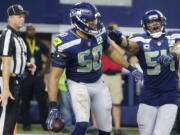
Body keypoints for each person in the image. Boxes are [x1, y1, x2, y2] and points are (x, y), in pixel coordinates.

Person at [46, 2, 142, 135]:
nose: (93, 23)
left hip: (98, 82)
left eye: (94, 19)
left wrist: (131, 68)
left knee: (106, 130)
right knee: (82, 123)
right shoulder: (65, 42)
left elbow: (111, 52)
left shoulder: (100, 32)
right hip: (78, 84)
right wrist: (53, 106)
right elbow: (54, 76)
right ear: (77, 21)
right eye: (89, 20)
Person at [108, 9, 180, 135]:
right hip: (148, 95)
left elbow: (179, 46)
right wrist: (119, 40)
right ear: (145, 25)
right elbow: (130, 45)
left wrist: (173, 55)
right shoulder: (140, 39)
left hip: (170, 94)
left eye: (156, 20)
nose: (154, 24)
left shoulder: (173, 36)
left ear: (163, 22)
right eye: (150, 22)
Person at [0, 4, 36, 135]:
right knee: (5, 120)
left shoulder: (17, 36)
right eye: (19, 16)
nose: (22, 19)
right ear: (10, 18)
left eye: (23, 17)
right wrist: (5, 88)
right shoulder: (8, 35)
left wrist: (26, 64)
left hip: (16, 80)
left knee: (10, 120)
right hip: (7, 80)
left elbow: (13, 58)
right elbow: (5, 61)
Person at [21, 24, 50, 131]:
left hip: (38, 76)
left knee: (42, 101)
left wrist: (44, 71)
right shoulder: (22, 42)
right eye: (29, 30)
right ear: (26, 31)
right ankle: (26, 124)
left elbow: (50, 56)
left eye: (33, 30)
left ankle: (45, 124)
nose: (31, 31)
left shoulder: (39, 43)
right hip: (26, 75)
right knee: (25, 101)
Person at [102, 22, 125, 135]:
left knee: (116, 103)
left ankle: (117, 128)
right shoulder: (102, 41)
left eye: (115, 29)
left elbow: (122, 53)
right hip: (104, 75)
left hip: (116, 76)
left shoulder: (119, 42)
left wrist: (113, 41)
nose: (113, 31)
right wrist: (107, 39)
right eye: (111, 29)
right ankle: (103, 127)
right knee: (103, 103)